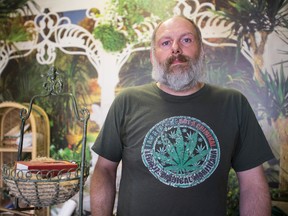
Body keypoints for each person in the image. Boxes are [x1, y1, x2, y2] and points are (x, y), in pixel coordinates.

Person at [90, 15, 274, 216]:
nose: (176, 48)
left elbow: (253, 184)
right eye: (166, 42)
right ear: (153, 56)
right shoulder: (127, 101)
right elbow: (104, 170)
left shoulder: (233, 104)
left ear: (202, 51)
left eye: (186, 40)